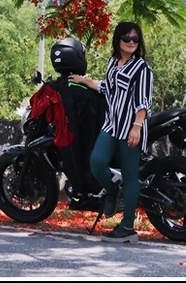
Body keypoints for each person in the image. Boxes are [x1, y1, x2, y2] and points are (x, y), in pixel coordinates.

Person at [69, 21, 152, 244]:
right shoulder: (113, 63)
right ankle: (112, 190)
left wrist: (137, 127)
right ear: (118, 40)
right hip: (111, 125)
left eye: (135, 39)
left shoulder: (142, 69)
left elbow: (143, 102)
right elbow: (106, 87)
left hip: (130, 129)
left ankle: (127, 227)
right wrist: (83, 80)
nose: (131, 42)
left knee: (131, 175)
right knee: (96, 162)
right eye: (127, 38)